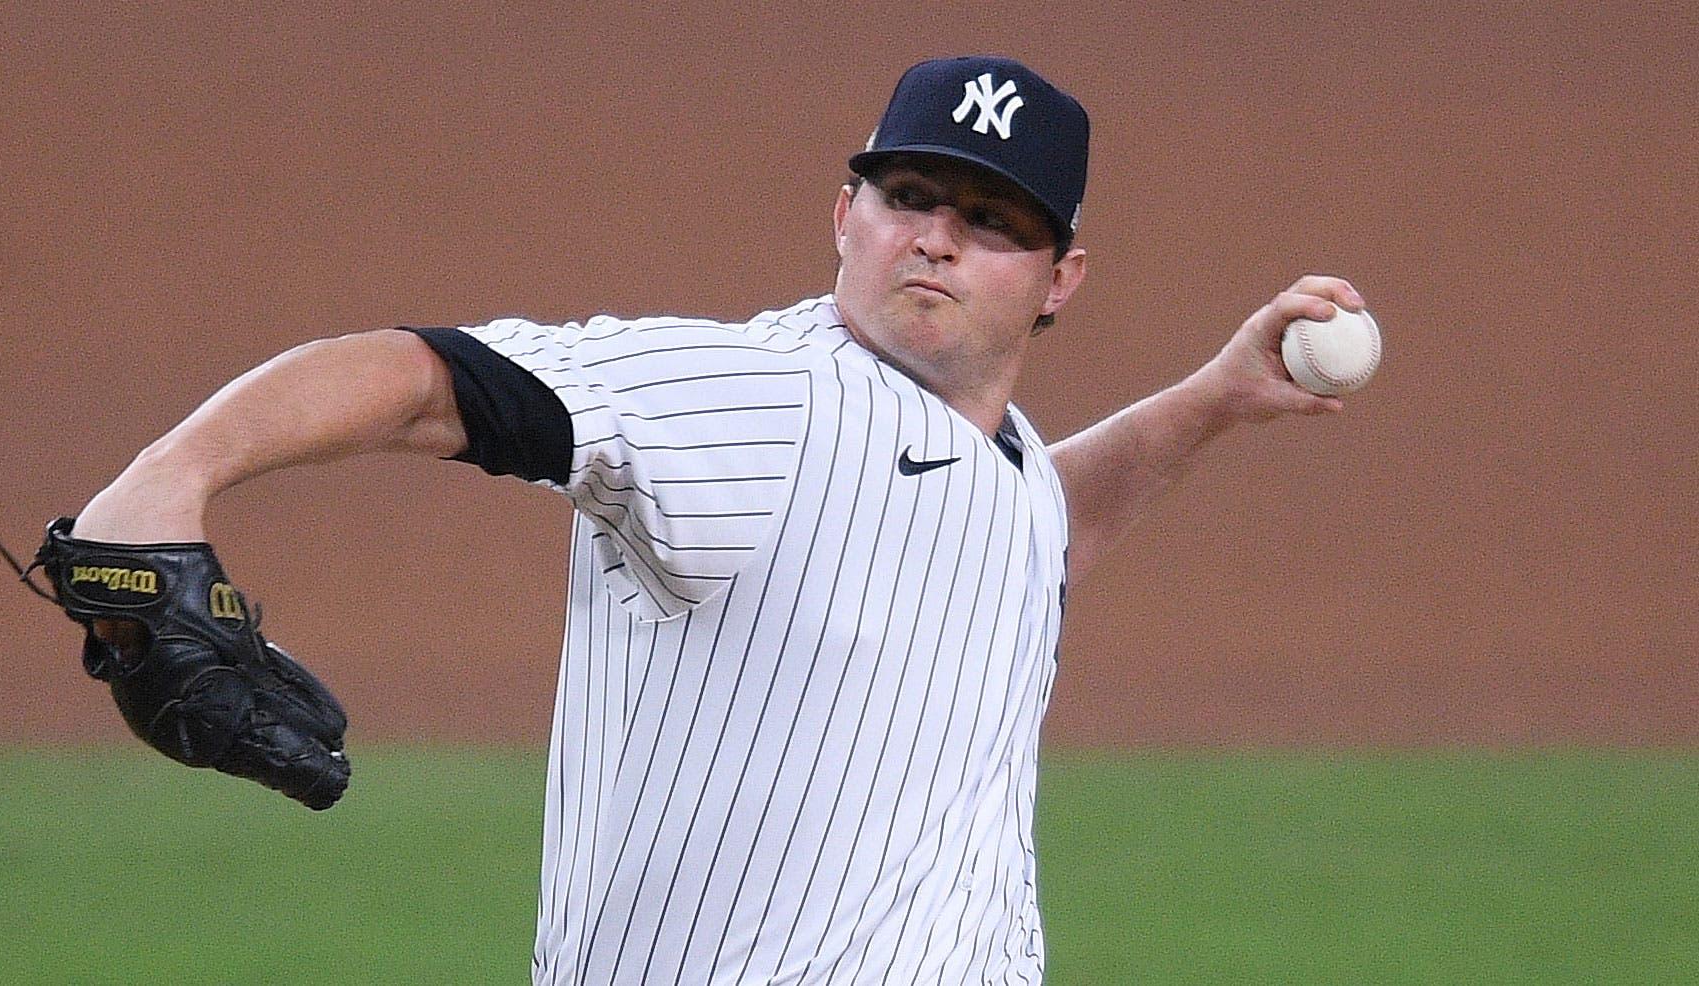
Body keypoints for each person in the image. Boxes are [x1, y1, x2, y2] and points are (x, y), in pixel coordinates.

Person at [68, 56, 1362, 983]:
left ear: (1057, 277)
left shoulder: (999, 463)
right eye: (909, 195)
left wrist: (1209, 402)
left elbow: (1017, 537)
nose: (936, 239)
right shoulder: (760, 400)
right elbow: (427, 379)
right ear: (844, 212)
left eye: (990, 220)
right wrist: (167, 482)